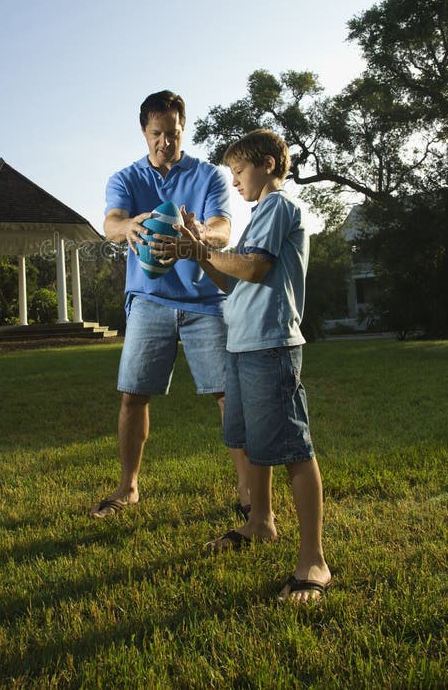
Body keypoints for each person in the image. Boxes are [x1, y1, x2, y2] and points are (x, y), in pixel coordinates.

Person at [162, 128, 332, 603]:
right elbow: (233, 283)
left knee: (293, 449)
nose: (233, 181)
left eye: (238, 171)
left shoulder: (280, 206)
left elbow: (255, 267)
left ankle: (313, 560)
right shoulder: (256, 218)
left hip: (271, 346)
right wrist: (199, 253)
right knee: (250, 442)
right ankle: (260, 522)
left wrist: (204, 248)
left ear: (269, 165)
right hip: (242, 346)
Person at [89, 90, 252, 519]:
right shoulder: (125, 178)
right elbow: (109, 223)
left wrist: (199, 237)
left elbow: (223, 227)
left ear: (183, 130)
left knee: (226, 394)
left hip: (205, 300)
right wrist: (127, 227)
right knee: (132, 396)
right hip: (148, 299)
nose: (166, 142)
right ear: (145, 132)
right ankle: (127, 488)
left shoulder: (210, 176)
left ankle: (248, 489)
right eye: (157, 134)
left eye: (174, 134)